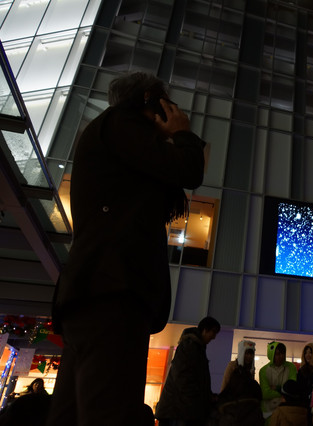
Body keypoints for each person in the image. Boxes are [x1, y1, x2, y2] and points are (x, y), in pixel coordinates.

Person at [46, 72, 207, 426]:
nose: (170, 112)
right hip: (113, 292)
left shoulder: (115, 138)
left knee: (73, 414)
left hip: (96, 291)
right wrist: (182, 133)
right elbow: (187, 169)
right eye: (165, 105)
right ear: (150, 100)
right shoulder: (121, 124)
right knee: (110, 413)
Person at [155, 316, 221, 426]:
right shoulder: (190, 346)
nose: (214, 337)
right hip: (179, 411)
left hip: (180, 410)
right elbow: (182, 379)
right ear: (205, 330)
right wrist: (200, 400)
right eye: (213, 332)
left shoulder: (196, 347)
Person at [216, 341, 264, 426]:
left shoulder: (251, 369)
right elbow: (225, 384)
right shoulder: (232, 365)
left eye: (251, 354)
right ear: (242, 353)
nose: (249, 356)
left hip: (246, 407)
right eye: (247, 353)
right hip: (233, 405)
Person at [259, 341, 298, 421]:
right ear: (271, 354)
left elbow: (292, 390)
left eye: (283, 353)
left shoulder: (291, 367)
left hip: (286, 410)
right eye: (277, 354)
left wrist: (277, 388)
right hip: (268, 411)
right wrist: (284, 392)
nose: (281, 356)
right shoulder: (263, 370)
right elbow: (265, 393)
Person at [296, 342, 313, 424]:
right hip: (303, 405)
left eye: (310, 352)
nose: (307, 355)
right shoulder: (301, 370)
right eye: (306, 353)